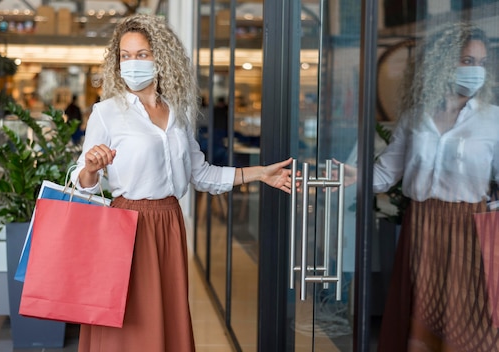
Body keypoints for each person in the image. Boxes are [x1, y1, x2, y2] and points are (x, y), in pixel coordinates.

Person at [70, 14, 295, 352]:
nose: (132, 63)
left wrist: (260, 173)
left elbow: (202, 174)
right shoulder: (106, 112)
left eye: (142, 54)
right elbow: (82, 183)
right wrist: (90, 166)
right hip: (127, 225)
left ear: (161, 57)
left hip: (169, 222)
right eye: (125, 56)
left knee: (165, 321)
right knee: (130, 326)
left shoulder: (176, 114)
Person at [343, 22, 499, 351]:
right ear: (443, 62)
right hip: (422, 225)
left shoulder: (493, 120)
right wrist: (352, 175)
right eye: (468, 61)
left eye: (482, 63)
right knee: (419, 319)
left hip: (472, 226)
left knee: (468, 321)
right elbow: (385, 175)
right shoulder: (416, 117)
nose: (476, 71)